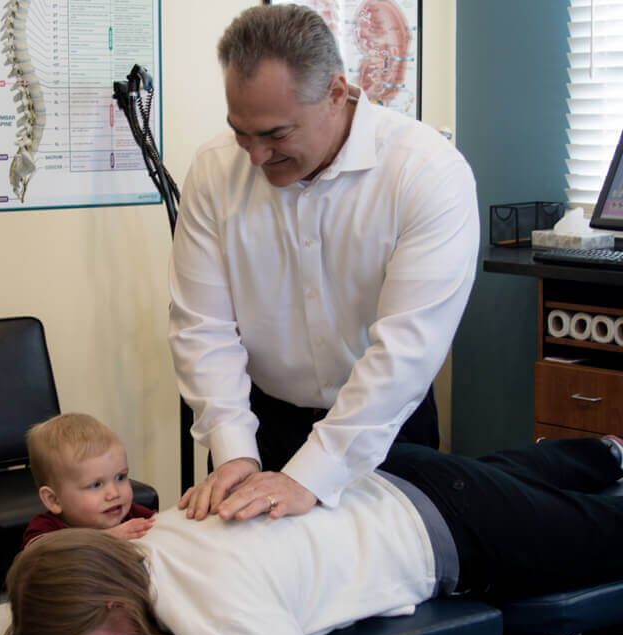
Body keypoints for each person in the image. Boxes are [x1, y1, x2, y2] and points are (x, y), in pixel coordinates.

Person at [169, 4, 479, 522]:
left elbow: (407, 351)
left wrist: (313, 472)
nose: (256, 157)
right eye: (242, 132)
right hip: (257, 423)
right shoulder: (213, 170)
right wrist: (233, 449)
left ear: (336, 93)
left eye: (276, 135)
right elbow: (203, 328)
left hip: (384, 426)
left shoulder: (426, 173)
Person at [3, 435, 623, 635]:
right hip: (392, 474)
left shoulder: (209, 604)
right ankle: (604, 451)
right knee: (527, 479)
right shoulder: (154, 529)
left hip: (454, 527)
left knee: (602, 533)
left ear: (111, 608)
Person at [19, 413, 155, 548]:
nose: (114, 494)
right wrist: (108, 537)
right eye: (96, 485)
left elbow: (163, 526)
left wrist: (175, 514)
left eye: (120, 477)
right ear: (54, 500)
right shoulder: (45, 528)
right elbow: (41, 554)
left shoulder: (129, 513)